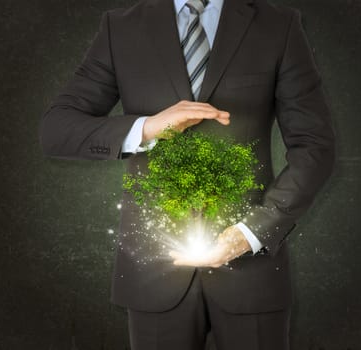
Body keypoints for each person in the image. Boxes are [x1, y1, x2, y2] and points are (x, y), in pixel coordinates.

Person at [39, 0, 335, 348]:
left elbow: (314, 147)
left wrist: (252, 232)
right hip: (154, 273)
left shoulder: (278, 24)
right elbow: (55, 129)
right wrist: (148, 127)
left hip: (251, 268)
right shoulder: (120, 27)